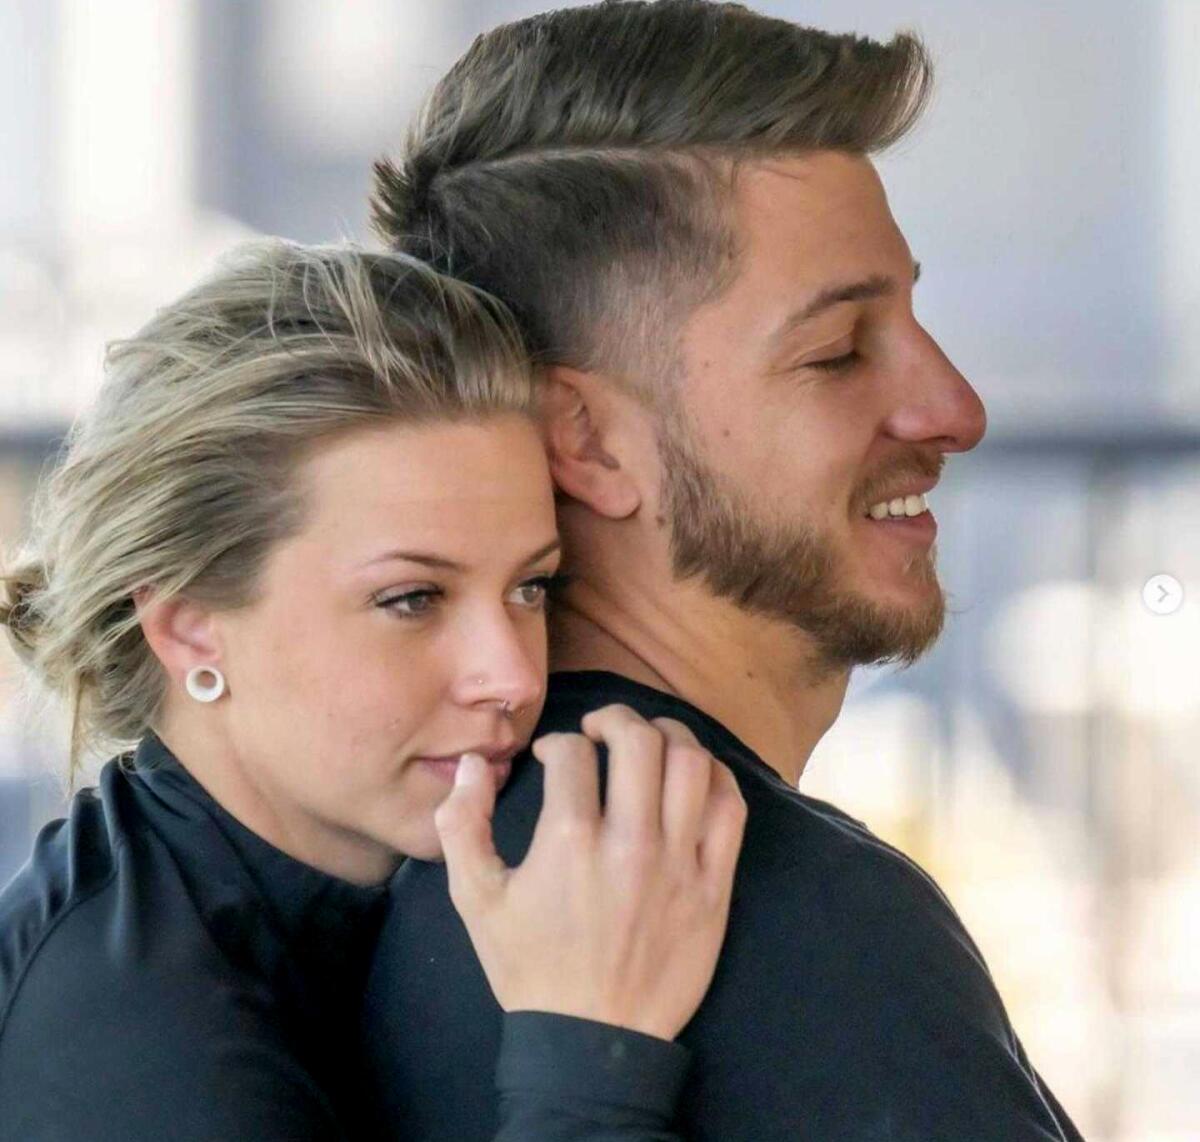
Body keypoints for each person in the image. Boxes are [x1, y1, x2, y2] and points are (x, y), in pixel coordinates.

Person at [363, 2, 1084, 1139]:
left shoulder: (439, 854)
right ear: (589, 440)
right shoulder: (795, 914)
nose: (957, 409)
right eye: (837, 351)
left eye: (912, 317)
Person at [0, 240, 747, 1141]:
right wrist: (590, 1062)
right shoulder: (128, 1044)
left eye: (531, 587)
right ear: (189, 627)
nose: (511, 675)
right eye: (412, 599)